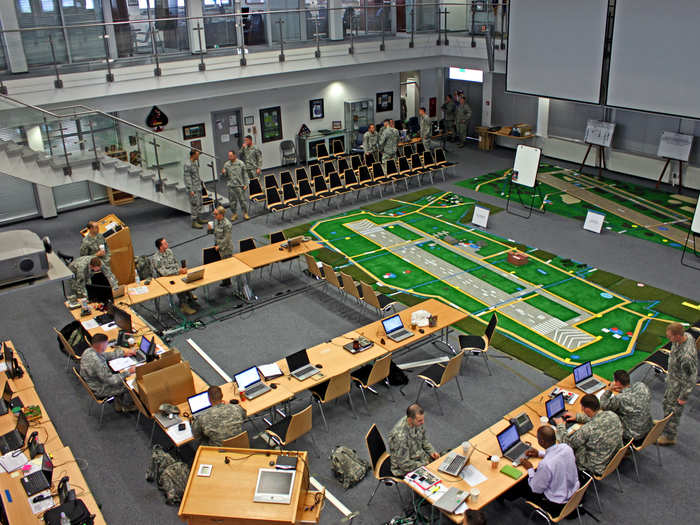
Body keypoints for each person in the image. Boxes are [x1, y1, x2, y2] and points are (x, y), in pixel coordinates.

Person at [508, 426, 580, 517]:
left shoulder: (545, 465)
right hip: (573, 493)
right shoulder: (566, 448)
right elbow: (556, 455)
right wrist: (539, 453)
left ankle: (506, 497)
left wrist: (530, 468)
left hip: (556, 503)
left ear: (541, 442)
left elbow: (535, 489)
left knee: (522, 483)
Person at [554, 394, 623, 476]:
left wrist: (560, 426)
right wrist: (578, 417)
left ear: (586, 409)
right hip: (612, 457)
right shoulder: (612, 415)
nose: (582, 410)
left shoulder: (587, 429)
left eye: (582, 408)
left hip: (595, 465)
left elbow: (568, 443)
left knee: (568, 450)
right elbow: (597, 419)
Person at [658, 323, 697, 446]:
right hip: (673, 381)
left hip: (679, 386)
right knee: (666, 404)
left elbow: (691, 377)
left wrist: (683, 397)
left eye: (670, 336)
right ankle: (664, 425)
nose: (668, 338)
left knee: (673, 411)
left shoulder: (686, 356)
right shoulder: (686, 336)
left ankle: (670, 436)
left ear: (678, 336)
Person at [79, 333, 136, 412]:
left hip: (94, 382)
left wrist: (123, 353)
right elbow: (112, 381)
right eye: (106, 343)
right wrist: (128, 372)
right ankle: (125, 407)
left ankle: (119, 403)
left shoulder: (89, 351)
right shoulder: (97, 362)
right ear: (101, 345)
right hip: (101, 388)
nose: (107, 345)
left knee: (119, 375)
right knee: (131, 385)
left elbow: (105, 355)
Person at [600, 369, 653, 445]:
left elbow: (603, 405)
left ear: (617, 383)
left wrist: (609, 390)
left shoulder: (620, 398)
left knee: (607, 418)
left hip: (632, 435)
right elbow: (633, 394)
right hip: (647, 428)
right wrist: (622, 390)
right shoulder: (642, 386)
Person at [388, 403, 439, 477]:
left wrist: (432, 452)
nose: (423, 422)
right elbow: (404, 464)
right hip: (405, 468)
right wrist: (425, 464)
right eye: (420, 420)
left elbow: (424, 440)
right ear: (410, 419)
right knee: (436, 477)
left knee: (444, 461)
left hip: (419, 458)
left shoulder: (416, 423)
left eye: (423, 419)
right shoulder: (400, 437)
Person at [153, 237, 198, 316]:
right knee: (179, 286)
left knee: (190, 278)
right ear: (160, 247)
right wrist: (178, 271)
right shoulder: (156, 258)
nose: (167, 244)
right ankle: (184, 305)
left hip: (175, 273)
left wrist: (181, 270)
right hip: (165, 279)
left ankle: (188, 293)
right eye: (165, 243)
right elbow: (164, 273)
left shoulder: (169, 251)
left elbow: (175, 263)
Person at [80, 221, 117, 285]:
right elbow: (84, 257)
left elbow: (107, 247)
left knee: (110, 279)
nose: (98, 228)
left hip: (104, 261)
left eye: (98, 227)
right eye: (96, 227)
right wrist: (96, 255)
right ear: (91, 229)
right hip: (94, 264)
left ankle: (114, 289)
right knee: (99, 282)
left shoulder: (100, 236)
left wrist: (108, 257)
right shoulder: (86, 242)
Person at [208, 206, 234, 288]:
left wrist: (219, 246)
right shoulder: (216, 221)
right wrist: (209, 229)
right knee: (220, 265)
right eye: (214, 214)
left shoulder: (227, 224)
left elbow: (227, 238)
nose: (214, 216)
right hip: (218, 246)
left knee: (226, 266)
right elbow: (214, 233)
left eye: (215, 214)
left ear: (221, 214)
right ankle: (224, 281)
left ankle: (228, 282)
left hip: (225, 248)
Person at [220, 151, 249, 221]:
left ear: (235, 155)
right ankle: (234, 214)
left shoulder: (240, 163)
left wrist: (246, 184)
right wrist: (223, 173)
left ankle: (245, 213)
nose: (229, 157)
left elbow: (245, 174)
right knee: (232, 202)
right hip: (231, 186)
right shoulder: (226, 164)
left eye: (231, 156)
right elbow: (223, 178)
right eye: (229, 156)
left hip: (240, 185)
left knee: (242, 201)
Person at [184, 149, 205, 229]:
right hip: (193, 189)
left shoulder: (194, 163)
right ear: (193, 155)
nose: (198, 156)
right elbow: (187, 178)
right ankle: (194, 222)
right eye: (197, 154)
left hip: (198, 187)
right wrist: (190, 189)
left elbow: (195, 175)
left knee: (200, 203)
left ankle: (198, 218)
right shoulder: (188, 164)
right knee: (194, 204)